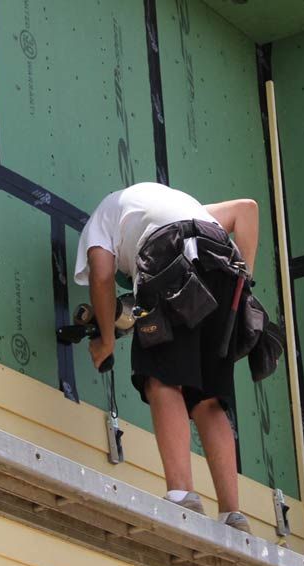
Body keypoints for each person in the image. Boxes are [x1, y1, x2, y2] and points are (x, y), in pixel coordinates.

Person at [73, 182, 259, 532]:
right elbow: (246, 209)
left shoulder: (100, 221)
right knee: (209, 399)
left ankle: (181, 494)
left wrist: (107, 341)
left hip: (167, 258)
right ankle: (233, 514)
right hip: (223, 268)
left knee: (162, 377)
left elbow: (101, 277)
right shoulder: (186, 208)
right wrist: (243, 285)